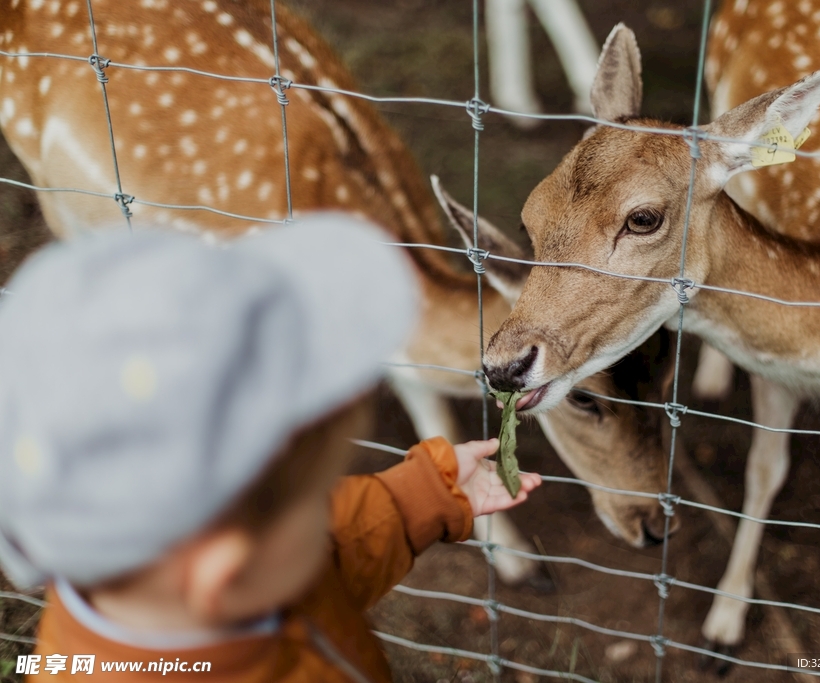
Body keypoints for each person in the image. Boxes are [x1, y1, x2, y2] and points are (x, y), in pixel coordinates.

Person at [0, 213, 541, 682]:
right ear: (226, 574)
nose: (328, 508)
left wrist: (415, 499)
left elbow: (334, 550)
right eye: (316, 501)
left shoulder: (173, 578)